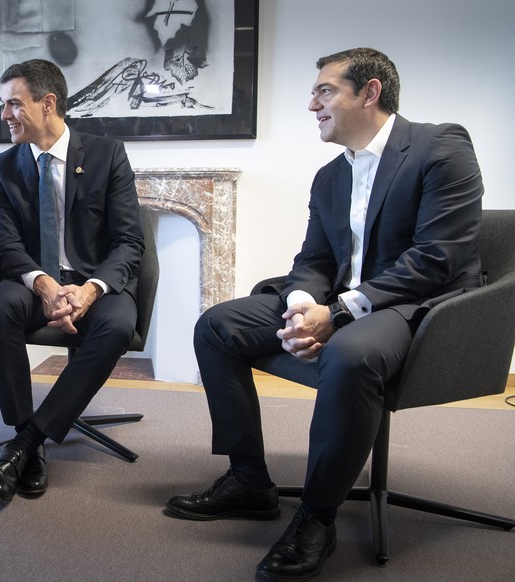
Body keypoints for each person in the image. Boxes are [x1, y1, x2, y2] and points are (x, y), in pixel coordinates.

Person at [165, 48, 483, 581]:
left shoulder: (441, 145)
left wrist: (336, 314)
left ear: (370, 91)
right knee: (218, 325)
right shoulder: (331, 176)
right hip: (339, 301)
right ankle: (248, 481)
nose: (311, 103)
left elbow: (436, 259)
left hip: (413, 305)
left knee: (350, 353)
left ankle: (317, 516)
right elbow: (313, 260)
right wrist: (302, 306)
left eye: (325, 90)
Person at [0, 59, 145, 503]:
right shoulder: (2, 166)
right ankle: (22, 430)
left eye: (14, 104)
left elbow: (129, 241)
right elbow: (8, 246)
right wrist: (45, 286)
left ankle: (26, 445)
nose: (4, 114)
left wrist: (90, 290)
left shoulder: (108, 154)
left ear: (47, 103)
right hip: (35, 279)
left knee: (116, 325)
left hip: (96, 280)